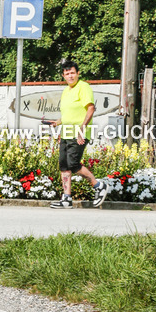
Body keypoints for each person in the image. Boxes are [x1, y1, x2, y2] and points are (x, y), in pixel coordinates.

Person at [50, 59, 108, 209]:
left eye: (72, 73)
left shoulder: (83, 87)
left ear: (78, 73)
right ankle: (67, 199)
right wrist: (57, 122)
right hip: (66, 133)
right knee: (64, 165)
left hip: (79, 133)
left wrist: (82, 129)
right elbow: (69, 114)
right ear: (63, 75)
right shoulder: (65, 91)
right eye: (67, 73)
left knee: (73, 164)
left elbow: (90, 109)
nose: (70, 76)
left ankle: (99, 185)